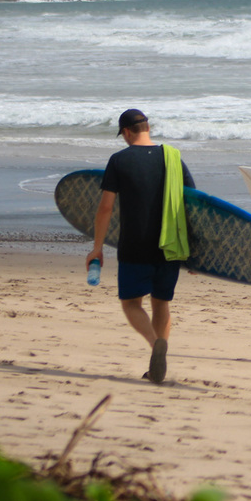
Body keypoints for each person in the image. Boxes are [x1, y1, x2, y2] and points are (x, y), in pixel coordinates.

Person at [86, 109, 195, 384]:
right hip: (170, 245)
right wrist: (195, 252)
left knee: (131, 303)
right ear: (147, 127)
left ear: (125, 132)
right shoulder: (173, 157)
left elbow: (106, 208)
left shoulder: (119, 160)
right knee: (161, 303)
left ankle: (155, 343)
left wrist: (97, 248)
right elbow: (194, 205)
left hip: (134, 245)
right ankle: (159, 357)